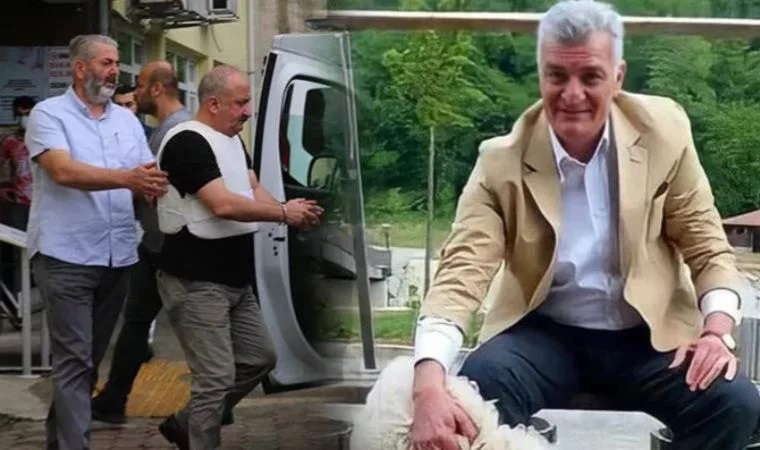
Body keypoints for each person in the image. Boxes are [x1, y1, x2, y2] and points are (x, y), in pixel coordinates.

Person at [409, 1, 760, 450]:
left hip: (650, 337)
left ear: (618, 77)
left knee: (734, 403)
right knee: (478, 388)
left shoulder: (664, 132)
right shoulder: (500, 161)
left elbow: (707, 247)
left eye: (591, 76)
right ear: (540, 74)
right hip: (545, 333)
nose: (572, 94)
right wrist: (427, 384)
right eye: (557, 75)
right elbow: (461, 274)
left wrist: (715, 331)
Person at [154, 65, 323, 450]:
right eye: (241, 103)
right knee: (214, 378)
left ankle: (185, 423)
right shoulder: (188, 142)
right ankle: (198, 438)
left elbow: (252, 188)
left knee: (259, 359)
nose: (248, 111)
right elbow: (222, 205)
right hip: (195, 281)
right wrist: (283, 213)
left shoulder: (231, 140)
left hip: (233, 279)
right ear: (214, 104)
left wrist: (290, 212)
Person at [23, 34, 168, 450]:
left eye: (116, 63)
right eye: (106, 63)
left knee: (87, 363)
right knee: (74, 359)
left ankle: (61, 441)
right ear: (80, 68)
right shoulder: (48, 114)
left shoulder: (127, 121)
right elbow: (63, 171)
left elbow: (145, 176)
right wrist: (128, 179)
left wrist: (160, 188)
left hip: (117, 255)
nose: (114, 71)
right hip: (65, 255)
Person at [91, 60, 193, 424]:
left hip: (172, 248)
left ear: (156, 89)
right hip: (157, 245)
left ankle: (211, 409)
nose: (134, 92)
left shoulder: (174, 131)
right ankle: (113, 398)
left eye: (140, 85)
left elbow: (160, 190)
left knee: (194, 329)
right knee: (135, 322)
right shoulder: (166, 128)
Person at [0, 96, 35, 302]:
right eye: (20, 115)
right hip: (19, 204)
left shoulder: (47, 138)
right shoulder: (10, 142)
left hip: (45, 205)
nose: (25, 118)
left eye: (28, 114)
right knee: (18, 253)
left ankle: (40, 298)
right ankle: (20, 300)